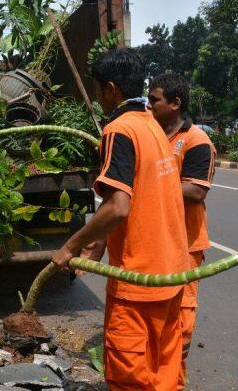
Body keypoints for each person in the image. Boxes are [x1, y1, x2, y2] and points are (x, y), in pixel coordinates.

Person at [51, 49, 188, 390]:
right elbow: (139, 199)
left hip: (137, 281)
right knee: (164, 368)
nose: (99, 98)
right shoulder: (154, 127)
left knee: (130, 375)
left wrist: (69, 246)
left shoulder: (119, 129)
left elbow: (117, 207)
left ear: (111, 88)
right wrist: (97, 248)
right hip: (172, 274)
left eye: (98, 90)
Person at [147, 74, 216, 388]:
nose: (149, 105)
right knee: (156, 314)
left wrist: (151, 182)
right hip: (156, 241)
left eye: (155, 100)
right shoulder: (154, 135)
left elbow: (196, 191)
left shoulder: (196, 141)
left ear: (175, 104)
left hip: (185, 245)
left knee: (181, 318)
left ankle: (174, 380)